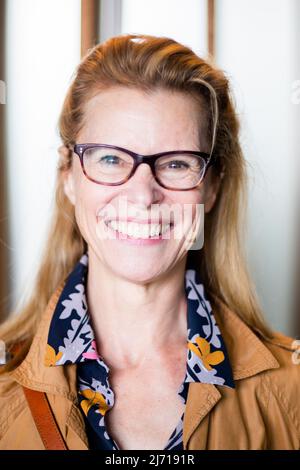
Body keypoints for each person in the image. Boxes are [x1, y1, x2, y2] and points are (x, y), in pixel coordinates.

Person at [0, 33, 299, 451]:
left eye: (177, 163)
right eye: (110, 158)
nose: (143, 196)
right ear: (68, 176)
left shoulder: (292, 393)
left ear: (211, 188)